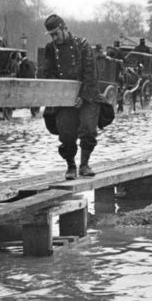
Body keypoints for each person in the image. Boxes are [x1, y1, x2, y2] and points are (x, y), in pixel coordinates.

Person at [42, 14, 103, 179]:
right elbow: (48, 73)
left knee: (88, 129)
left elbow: (91, 75)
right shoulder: (50, 49)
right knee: (66, 133)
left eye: (56, 33)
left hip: (87, 95)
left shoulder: (82, 46)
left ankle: (84, 164)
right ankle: (71, 166)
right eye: (51, 35)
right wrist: (64, 93)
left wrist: (82, 97)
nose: (55, 38)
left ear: (64, 28)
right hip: (65, 98)